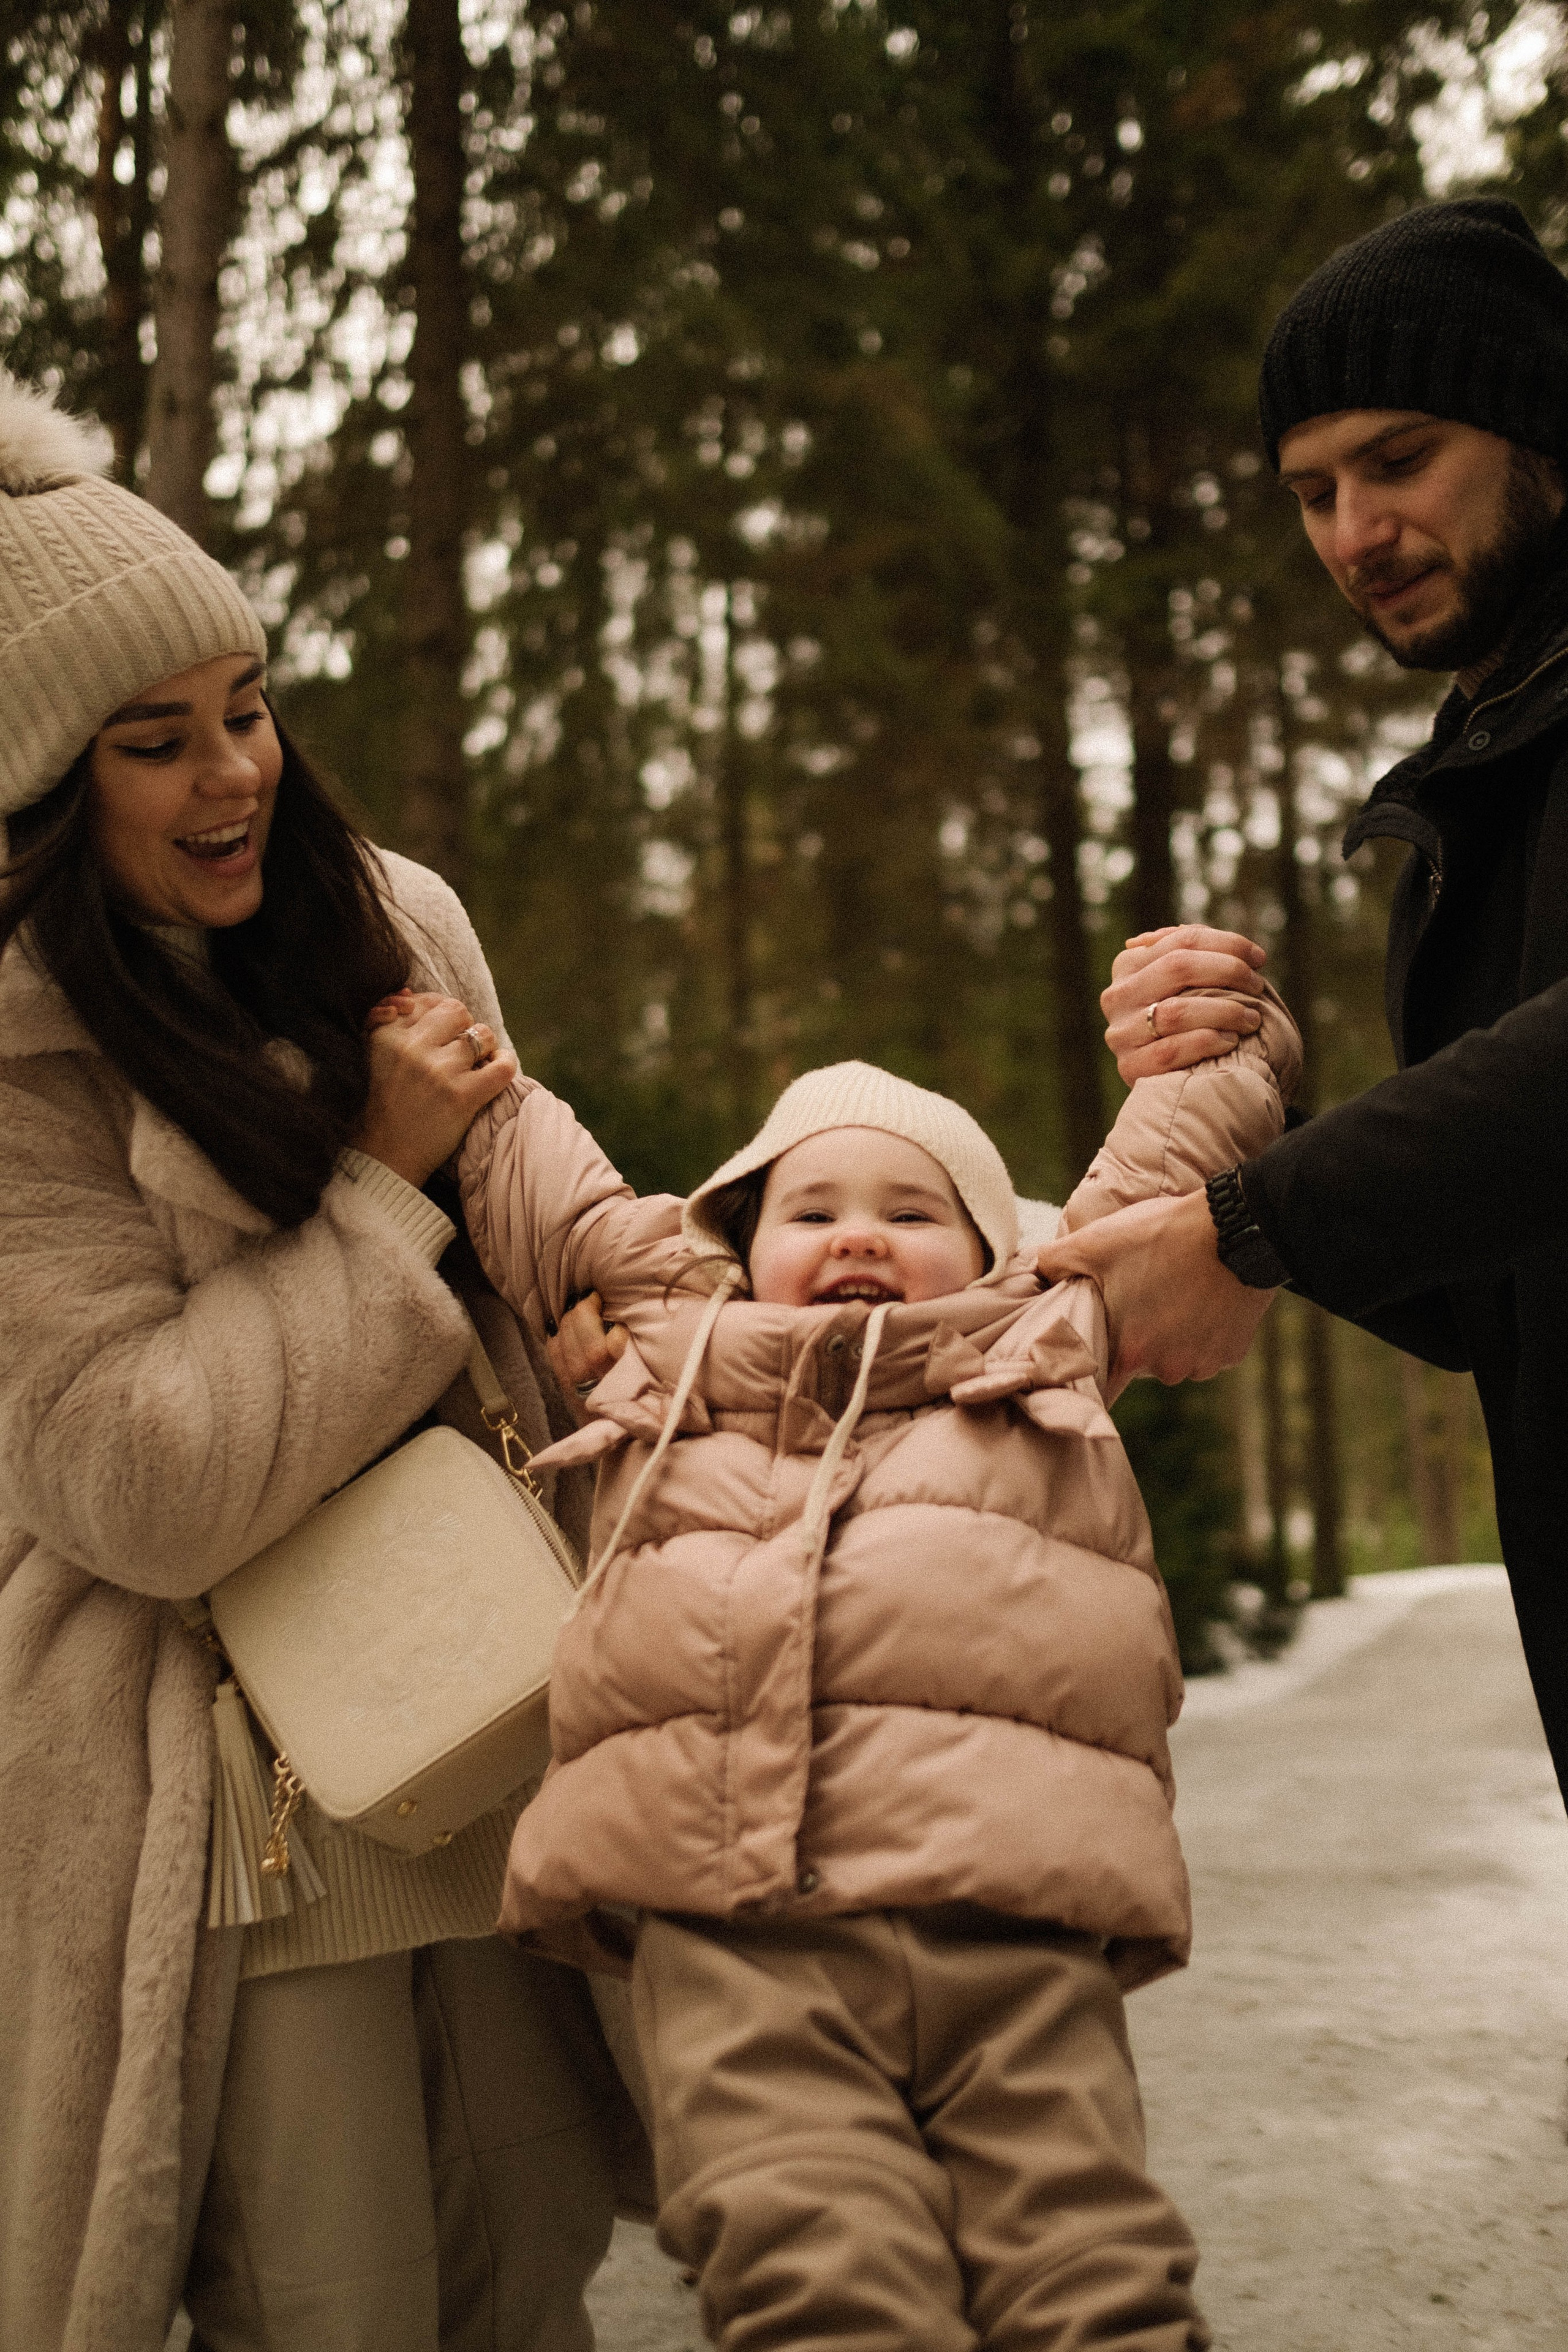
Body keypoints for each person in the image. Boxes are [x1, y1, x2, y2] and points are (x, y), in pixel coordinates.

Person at [0, 370, 639, 2352]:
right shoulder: (19, 1049)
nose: (234, 777)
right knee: (329, 2301)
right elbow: (125, 1480)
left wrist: (599, 1314)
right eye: (154, 743)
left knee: (537, 2274)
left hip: (504, 1726)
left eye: (249, 710)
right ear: (39, 789)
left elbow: (533, 1215)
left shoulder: (400, 928)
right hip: (241, 1841)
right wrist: (377, 1196)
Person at [449, 984, 1299, 2352]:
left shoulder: (1038, 1334)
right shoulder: (669, 1343)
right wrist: (407, 1032)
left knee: (1085, 2266)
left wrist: (1227, 1029)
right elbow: (517, 1157)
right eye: (810, 1208)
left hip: (1008, 1924)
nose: (858, 1233)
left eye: (912, 1213)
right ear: (732, 1242)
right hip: (734, 1933)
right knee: (808, 2267)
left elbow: (1178, 1143)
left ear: (987, 1249)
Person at [1038, 196, 1568, 1809]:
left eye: (1400, 460)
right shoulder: (1486, 792)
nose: (1352, 533)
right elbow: (1499, 1296)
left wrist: (1259, 1223)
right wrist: (1248, 1113)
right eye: (1312, 492)